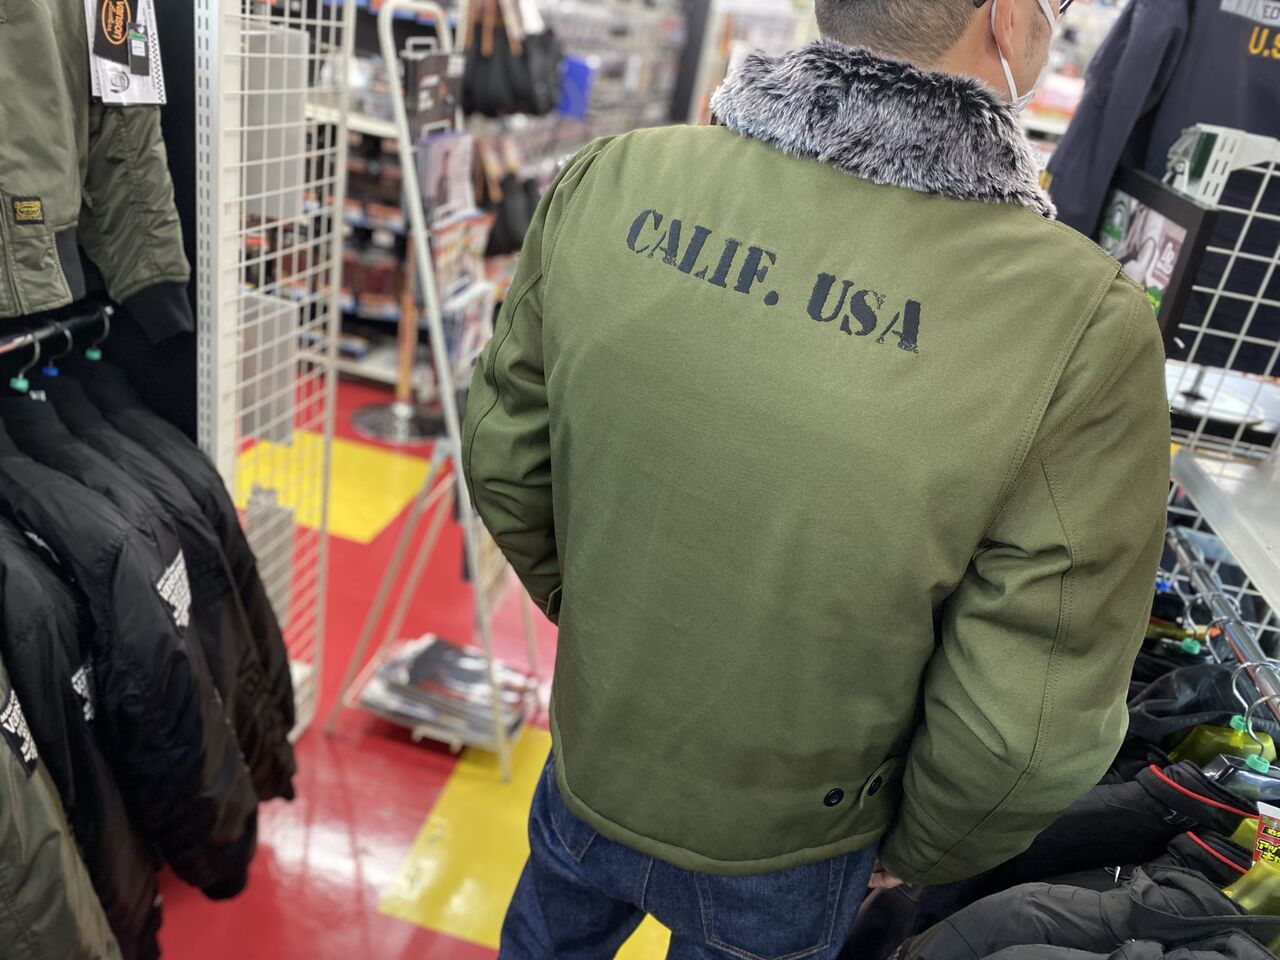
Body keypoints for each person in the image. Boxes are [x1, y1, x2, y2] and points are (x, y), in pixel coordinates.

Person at [463, 0, 1171, 956]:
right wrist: (924, 846)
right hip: (800, 839)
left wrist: (612, 633)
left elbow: (506, 458)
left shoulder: (616, 175)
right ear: (1007, 20)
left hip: (594, 758)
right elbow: (1027, 720)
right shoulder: (1078, 321)